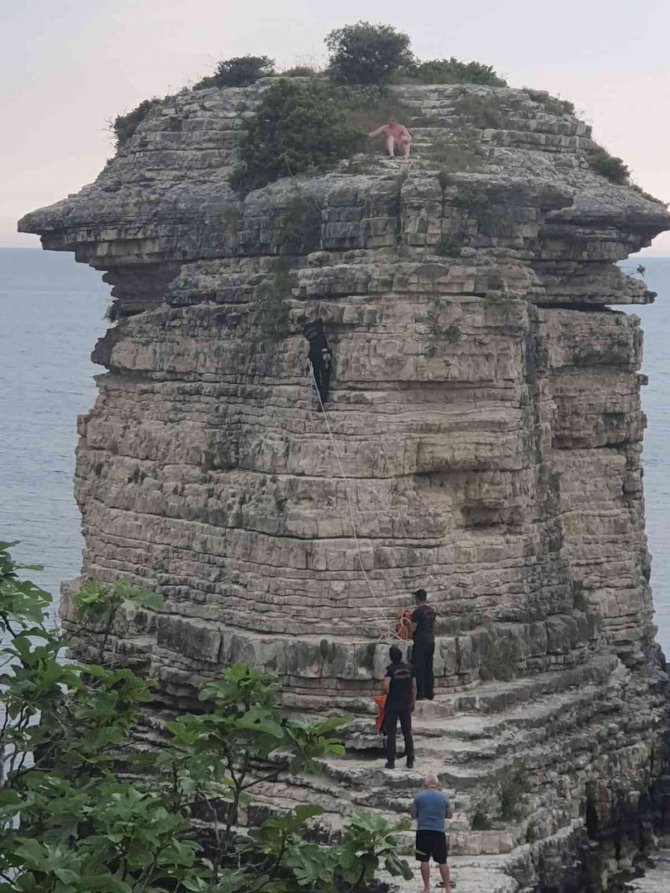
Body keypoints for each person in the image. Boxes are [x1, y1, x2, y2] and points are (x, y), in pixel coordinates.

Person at [411, 774, 453, 893]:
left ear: (426, 784)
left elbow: (413, 815)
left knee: (424, 860)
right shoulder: (444, 797)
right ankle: (448, 888)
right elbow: (449, 815)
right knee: (442, 861)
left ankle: (426, 888)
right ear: (437, 784)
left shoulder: (419, 797)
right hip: (438, 832)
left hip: (423, 831)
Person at [382, 645, 416, 770]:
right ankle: (410, 759)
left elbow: (385, 686)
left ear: (391, 657)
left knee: (391, 734)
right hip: (406, 704)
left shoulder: (390, 669)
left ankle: (391, 762)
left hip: (392, 705)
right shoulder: (409, 668)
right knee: (407, 732)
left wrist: (387, 693)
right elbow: (413, 686)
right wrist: (413, 701)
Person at [410, 588, 436, 700]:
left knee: (419, 668)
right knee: (428, 667)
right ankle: (429, 692)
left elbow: (412, 629)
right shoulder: (432, 611)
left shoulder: (417, 612)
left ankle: (419, 694)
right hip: (431, 641)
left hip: (421, 642)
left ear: (417, 598)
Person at [302, 318, 332, 407]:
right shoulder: (318, 326)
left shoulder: (305, 331)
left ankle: (320, 394)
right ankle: (323, 398)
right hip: (324, 354)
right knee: (325, 376)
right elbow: (319, 319)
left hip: (314, 356)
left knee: (316, 376)